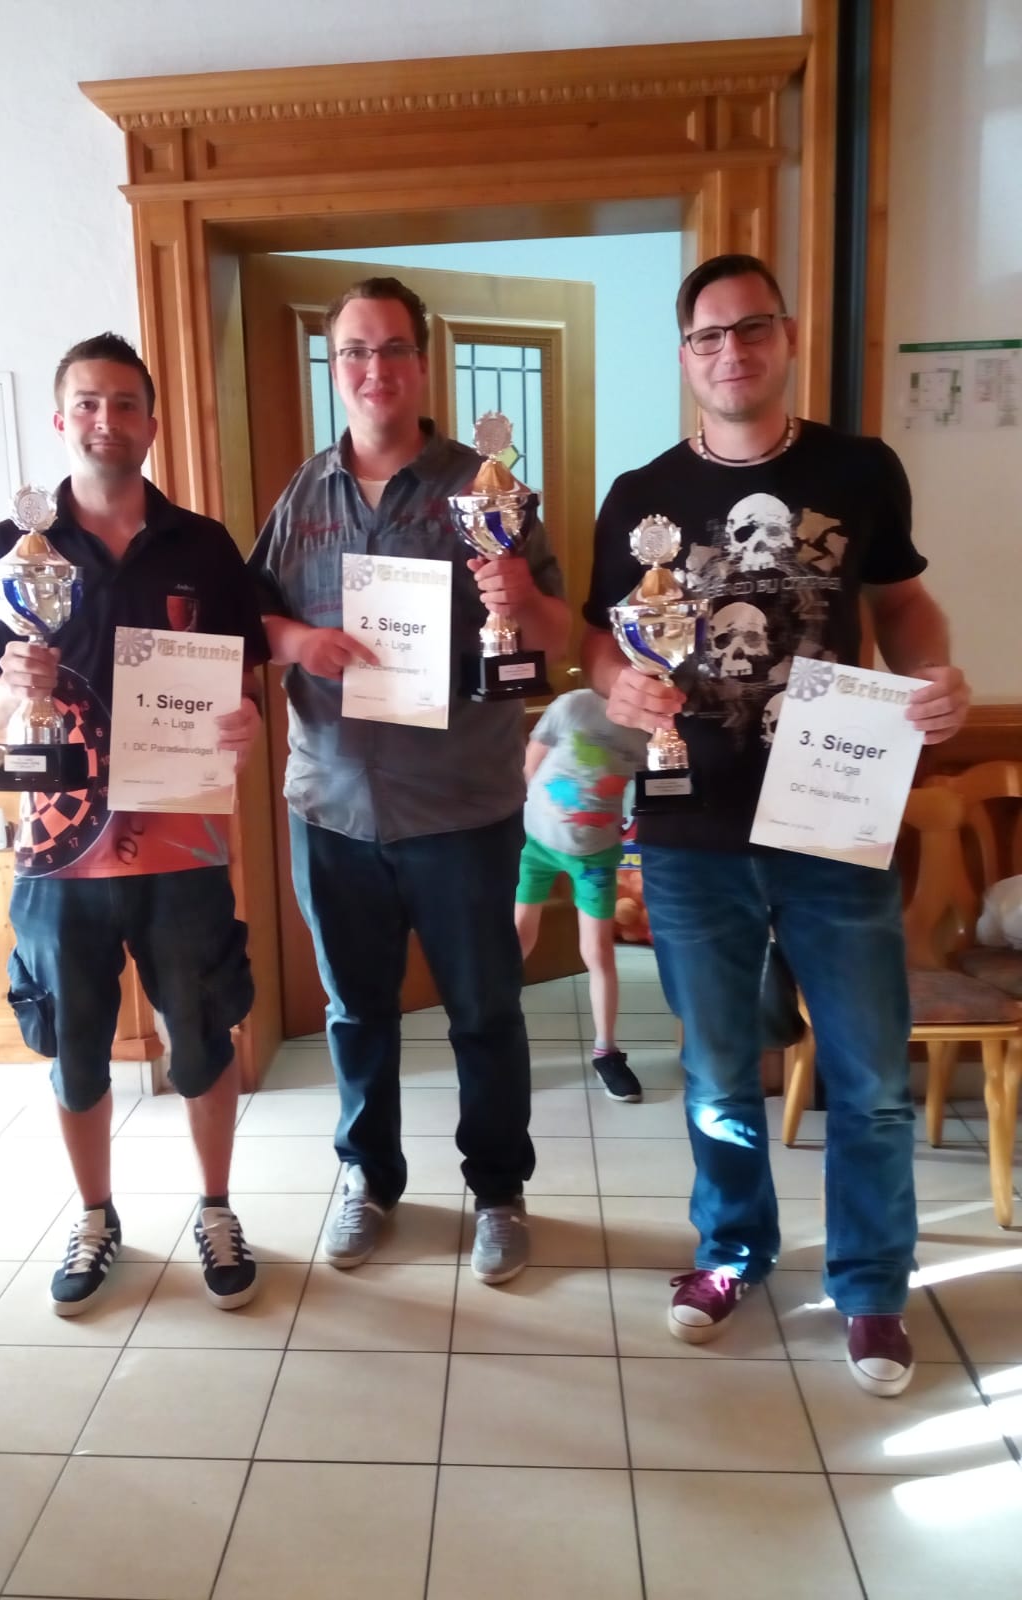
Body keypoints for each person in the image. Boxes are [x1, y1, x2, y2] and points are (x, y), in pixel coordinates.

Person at [581, 254, 969, 1396]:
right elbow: (604, 636)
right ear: (686, 357)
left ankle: (872, 1288)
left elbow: (903, 602)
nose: (732, 352)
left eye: (751, 328)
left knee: (870, 1079)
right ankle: (732, 1253)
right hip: (691, 827)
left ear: (786, 337)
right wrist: (613, 683)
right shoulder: (639, 495)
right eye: (708, 336)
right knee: (716, 1072)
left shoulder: (860, 469)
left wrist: (934, 674)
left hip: (834, 819)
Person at [248, 276, 569, 1285]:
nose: (373, 369)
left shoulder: (488, 488)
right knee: (357, 1012)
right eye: (355, 350)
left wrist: (515, 595)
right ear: (334, 367)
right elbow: (248, 617)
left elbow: (552, 629)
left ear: (423, 364)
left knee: (485, 1011)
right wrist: (298, 640)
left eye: (392, 348)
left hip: (462, 808)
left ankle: (500, 1190)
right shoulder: (304, 494)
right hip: (333, 806)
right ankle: (369, 1178)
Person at [0, 333, 269, 1316]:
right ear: (61, 419)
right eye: (88, 403)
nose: (106, 420)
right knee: (76, 1047)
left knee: (202, 1036)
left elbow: (246, 686)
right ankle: (95, 1216)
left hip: (182, 843)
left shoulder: (205, 544)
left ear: (152, 423)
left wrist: (246, 723)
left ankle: (216, 1207)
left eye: (125, 403)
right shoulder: (6, 552)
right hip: (58, 852)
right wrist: (12, 689)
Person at [514, 688, 648, 1100]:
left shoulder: (650, 729)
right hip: (536, 843)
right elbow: (530, 765)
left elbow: (648, 788)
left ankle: (607, 1051)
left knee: (598, 951)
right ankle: (495, 1036)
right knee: (517, 938)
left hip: (595, 855)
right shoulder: (574, 705)